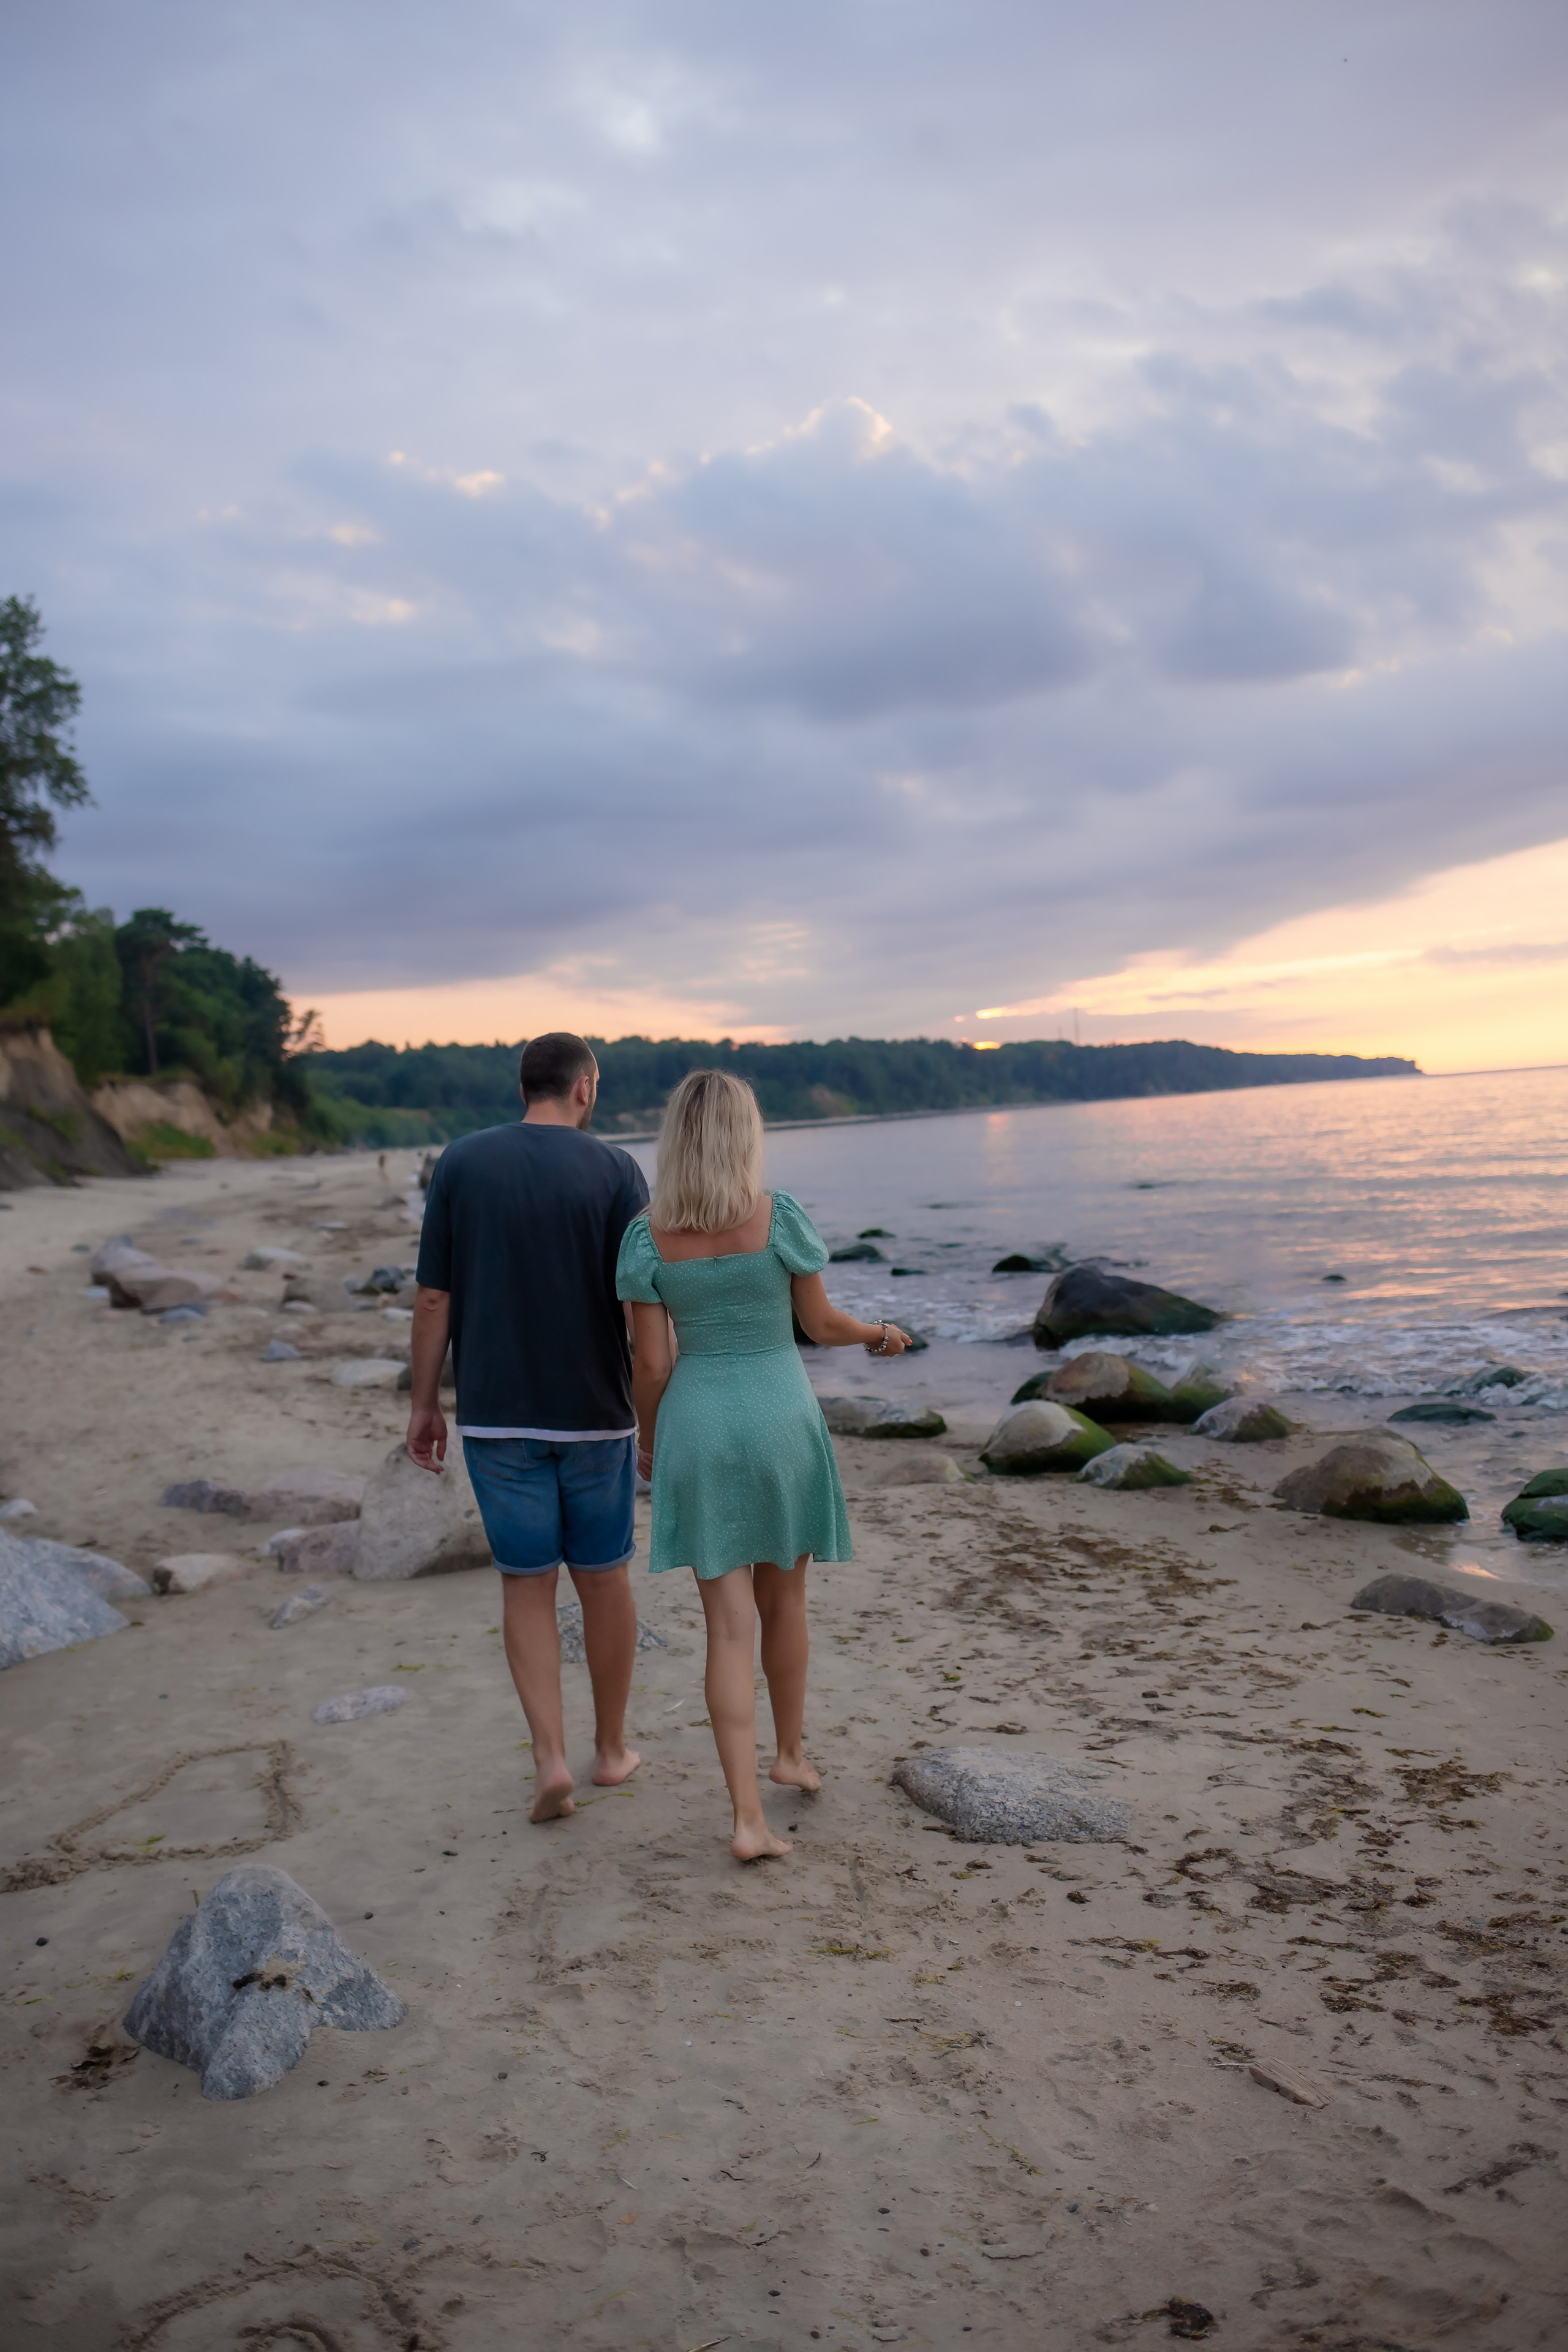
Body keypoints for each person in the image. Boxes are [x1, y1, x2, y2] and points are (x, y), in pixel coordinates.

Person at [616, 1069, 911, 1861]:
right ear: (746, 1135)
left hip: (699, 1424)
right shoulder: (779, 1216)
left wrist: (650, 1437)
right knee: (787, 1603)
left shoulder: (646, 1236)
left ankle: (747, 1819)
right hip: (781, 1418)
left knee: (726, 1626)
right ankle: (789, 1754)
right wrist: (879, 1332)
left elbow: (650, 1364)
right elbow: (819, 1322)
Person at [407, 1031, 650, 1823]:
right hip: (595, 1414)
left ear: (525, 1086)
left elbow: (435, 1298)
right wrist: (656, 1413)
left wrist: (423, 1404)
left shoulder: (462, 1164)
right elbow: (638, 1305)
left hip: (497, 1415)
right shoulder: (615, 1171)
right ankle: (610, 1750)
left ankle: (550, 1759)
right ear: (584, 1088)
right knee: (605, 1577)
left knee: (526, 1584)